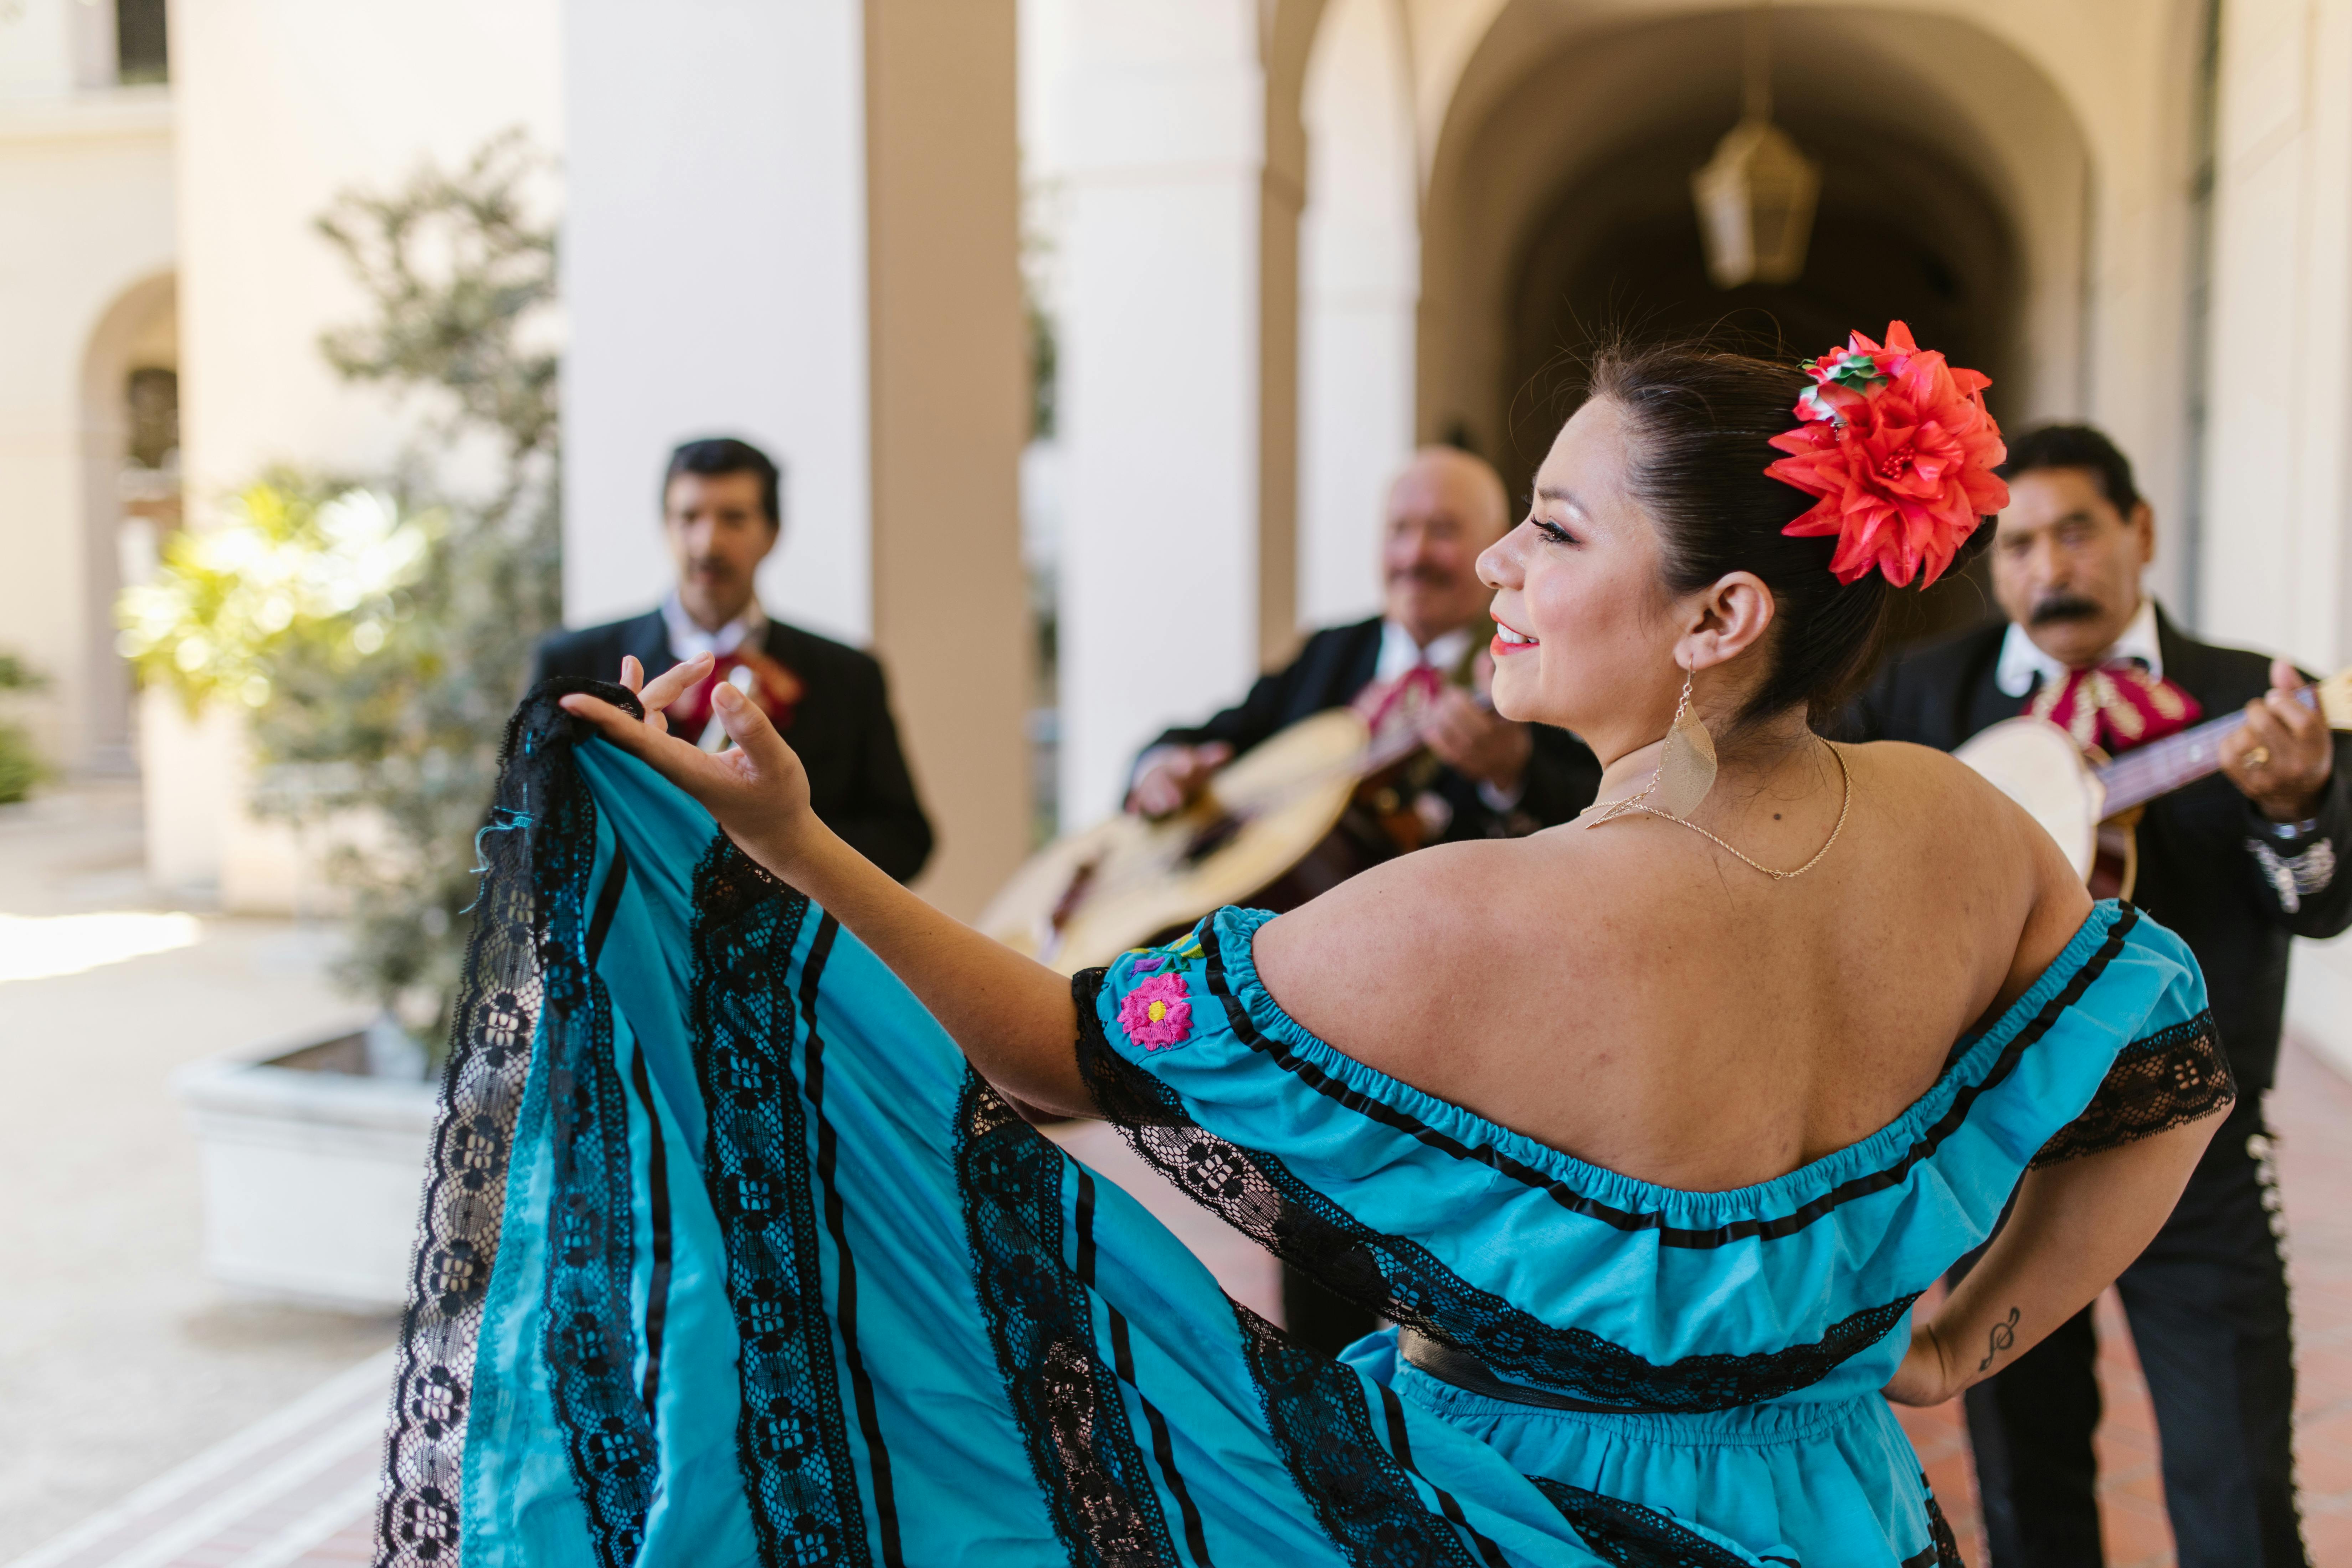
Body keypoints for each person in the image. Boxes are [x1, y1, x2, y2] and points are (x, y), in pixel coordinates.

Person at [380, 329, 2234, 1567]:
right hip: (1849, 1508)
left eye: (1555, 525)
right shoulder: (1968, 827)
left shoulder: (1443, 924)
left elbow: (1046, 1042)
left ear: (1721, 610)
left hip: (1525, 1518)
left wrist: (786, 837)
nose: (1495, 560)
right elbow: (2167, 1067)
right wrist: (1963, 1338)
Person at [1847, 423, 2349, 1568]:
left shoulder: (2245, 696)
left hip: (2195, 1150)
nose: (2048, 567)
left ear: (2142, 531)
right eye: (2017, 543)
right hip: (1997, 1148)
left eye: (2075, 531)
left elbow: (2318, 902)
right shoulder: (1925, 692)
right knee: (2026, 1484)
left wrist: (2298, 800)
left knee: (2237, 1483)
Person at [1127, 446, 1602, 840]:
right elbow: (1219, 736)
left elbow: (1593, 805)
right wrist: (1159, 770)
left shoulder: (1534, 662)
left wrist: (1511, 772)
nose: (1413, 554)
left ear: (1494, 545)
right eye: (1399, 530)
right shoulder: (1329, 650)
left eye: (1442, 530)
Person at [531, 436, 934, 883]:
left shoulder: (850, 676)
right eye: (689, 517)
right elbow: (523, 823)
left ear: (772, 533)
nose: (708, 543)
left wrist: (778, 854)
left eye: (734, 519)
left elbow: (904, 837)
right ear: (666, 526)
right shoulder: (572, 663)